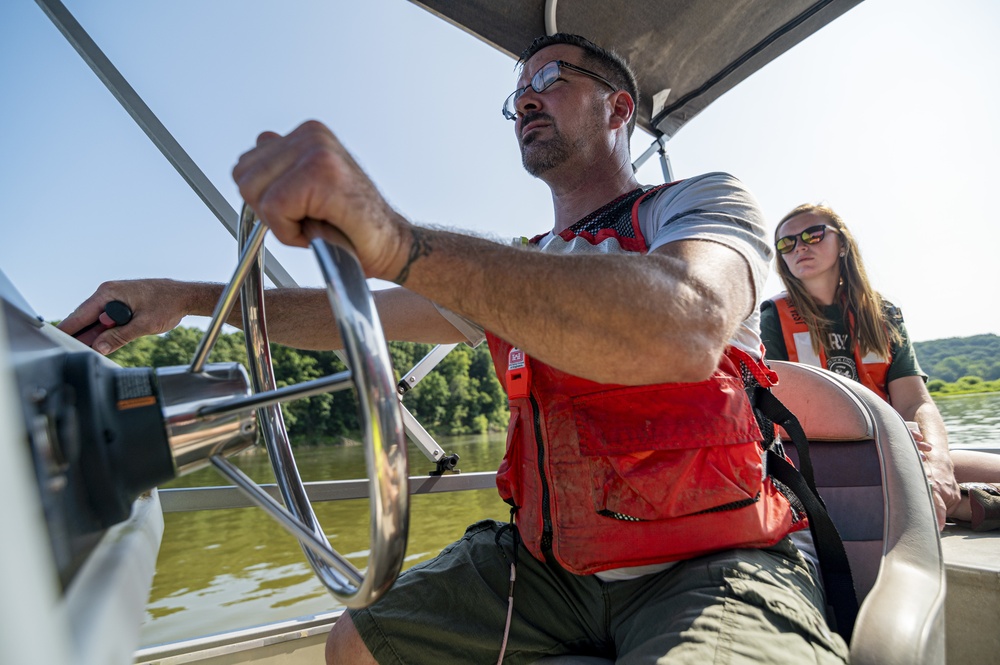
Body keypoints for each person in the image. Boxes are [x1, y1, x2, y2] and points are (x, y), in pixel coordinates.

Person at [61, 35, 849, 663]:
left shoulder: (698, 203)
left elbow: (688, 323)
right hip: (551, 570)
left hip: (718, 562)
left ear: (619, 108)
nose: (528, 99)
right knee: (357, 644)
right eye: (517, 96)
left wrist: (401, 240)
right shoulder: (514, 269)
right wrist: (192, 300)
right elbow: (352, 313)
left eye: (552, 79)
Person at [760, 203, 1000, 531]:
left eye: (812, 235)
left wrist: (939, 465)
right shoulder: (772, 318)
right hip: (821, 458)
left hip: (900, 450)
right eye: (786, 243)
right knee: (908, 488)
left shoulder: (882, 313)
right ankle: (961, 504)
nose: (799, 246)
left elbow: (915, 402)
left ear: (842, 243)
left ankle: (955, 499)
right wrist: (880, 437)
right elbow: (774, 416)